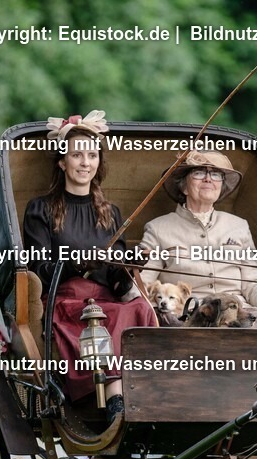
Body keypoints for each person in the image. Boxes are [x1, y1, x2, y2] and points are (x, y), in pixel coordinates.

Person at [22, 110, 156, 422]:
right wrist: (76, 264)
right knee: (108, 318)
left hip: (107, 300)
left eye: (92, 155)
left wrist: (130, 265)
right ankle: (116, 406)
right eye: (77, 155)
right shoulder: (40, 209)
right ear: (62, 162)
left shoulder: (111, 213)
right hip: (65, 303)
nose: (85, 163)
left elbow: (118, 283)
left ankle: (148, 395)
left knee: (139, 308)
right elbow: (39, 270)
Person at [139, 150, 257, 328]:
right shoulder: (157, 228)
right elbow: (142, 285)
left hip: (240, 313)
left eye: (216, 174)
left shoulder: (239, 225)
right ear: (184, 187)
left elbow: (253, 281)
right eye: (198, 173)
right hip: (190, 316)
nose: (208, 179)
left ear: (220, 187)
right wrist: (161, 313)